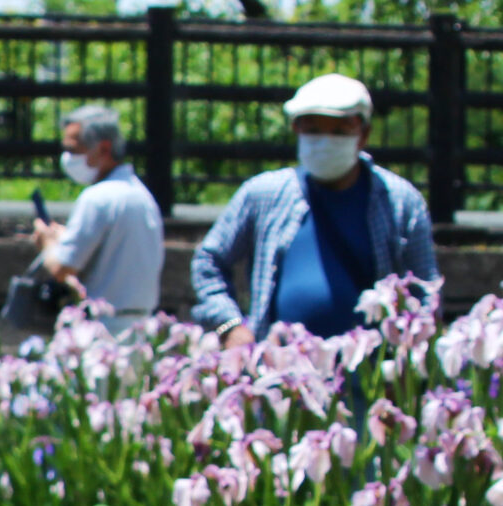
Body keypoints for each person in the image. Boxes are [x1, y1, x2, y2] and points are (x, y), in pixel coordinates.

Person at [191, 73, 438, 345]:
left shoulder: (399, 201)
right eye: (312, 130)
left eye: (339, 131)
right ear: (296, 130)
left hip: (370, 367)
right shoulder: (263, 195)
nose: (325, 141)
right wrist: (229, 325)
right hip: (280, 365)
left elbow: (426, 291)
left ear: (363, 134)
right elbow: (208, 260)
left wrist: (412, 351)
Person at [31, 105, 165, 332]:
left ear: (104, 149)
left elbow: (62, 268)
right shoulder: (142, 195)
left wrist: (48, 243)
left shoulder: (97, 198)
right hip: (142, 325)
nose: (68, 158)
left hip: (102, 327)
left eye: (74, 150)